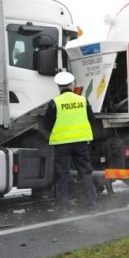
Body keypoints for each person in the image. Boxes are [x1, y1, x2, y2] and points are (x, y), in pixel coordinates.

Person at [44, 71, 98, 215]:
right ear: (72, 85)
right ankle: (91, 206)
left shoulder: (54, 103)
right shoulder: (82, 100)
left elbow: (47, 124)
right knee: (85, 173)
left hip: (62, 144)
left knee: (63, 175)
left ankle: (63, 208)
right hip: (81, 143)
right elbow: (92, 120)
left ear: (58, 87)